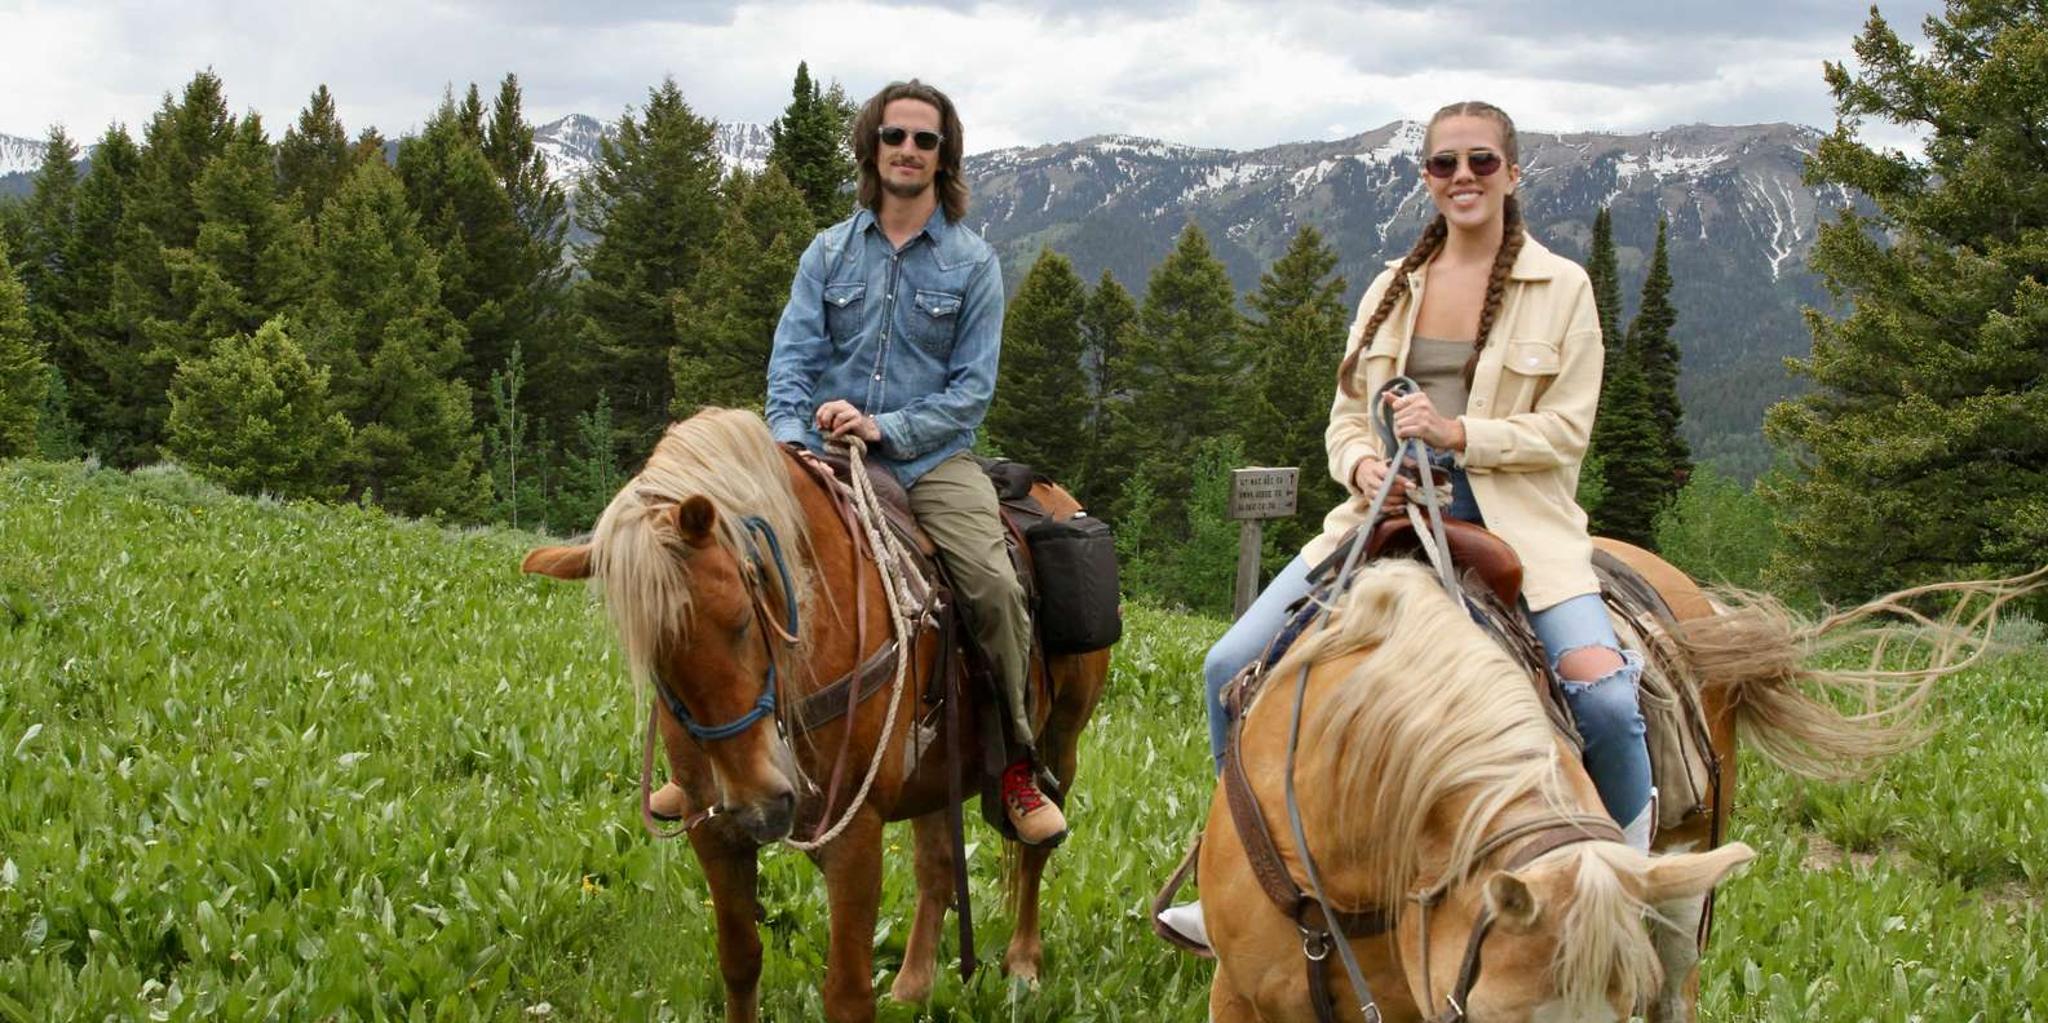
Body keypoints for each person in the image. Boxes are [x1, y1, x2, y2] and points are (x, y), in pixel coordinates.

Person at [1160, 99, 1652, 947]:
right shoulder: (1393, 286)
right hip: (1383, 510)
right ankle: (1239, 876)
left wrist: (1459, 434)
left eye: (1482, 163)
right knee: (1228, 664)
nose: (1463, 178)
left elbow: (1568, 430)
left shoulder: (1562, 285)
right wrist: (1358, 464)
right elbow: (1346, 414)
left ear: (1512, 175)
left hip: (1517, 527)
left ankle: (1635, 885)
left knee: (1604, 700)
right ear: (1426, 178)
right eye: (1444, 165)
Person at [757, 78, 1065, 847]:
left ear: (943, 156)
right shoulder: (827, 252)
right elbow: (790, 365)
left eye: (924, 140)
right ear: (873, 146)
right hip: (818, 453)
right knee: (735, 567)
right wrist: (795, 444)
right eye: (895, 136)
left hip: (931, 462)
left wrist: (881, 426)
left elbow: (971, 393)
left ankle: (1015, 765)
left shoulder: (972, 263)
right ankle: (725, 756)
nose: (907, 150)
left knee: (993, 586)